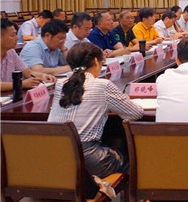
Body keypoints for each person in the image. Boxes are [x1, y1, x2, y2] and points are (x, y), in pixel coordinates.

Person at [47, 43, 144, 178]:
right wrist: (123, 101)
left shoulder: (60, 84)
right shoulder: (102, 85)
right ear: (96, 61)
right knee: (132, 157)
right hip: (88, 158)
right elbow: (136, 113)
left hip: (55, 155)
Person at [1, 19, 54, 91]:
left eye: (16, 34)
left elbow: (27, 72)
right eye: (13, 35)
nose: (17, 38)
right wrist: (21, 84)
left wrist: (43, 76)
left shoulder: (11, 52)